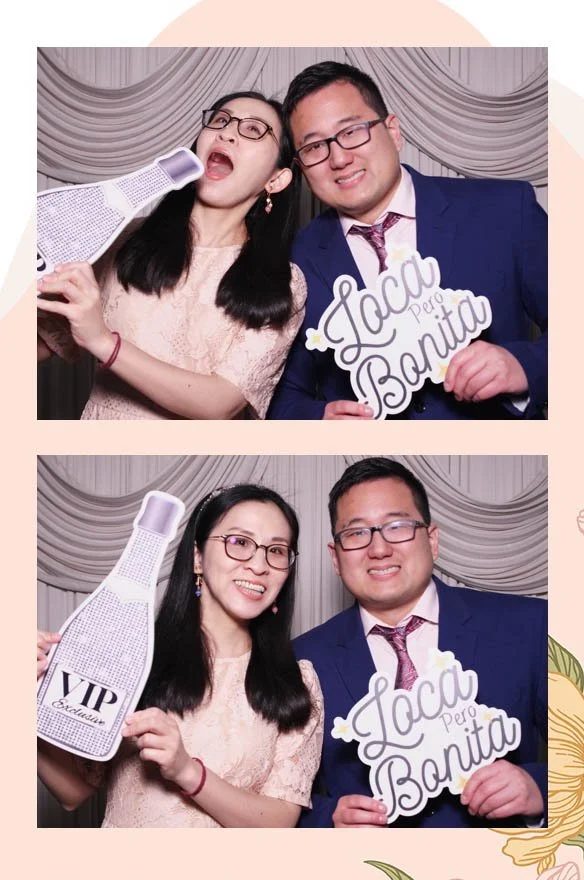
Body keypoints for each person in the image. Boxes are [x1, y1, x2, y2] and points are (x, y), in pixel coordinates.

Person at [267, 61, 547, 421]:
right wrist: (318, 419)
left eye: (352, 131)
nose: (339, 158)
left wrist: (525, 365)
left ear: (393, 131)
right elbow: (281, 394)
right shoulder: (296, 258)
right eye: (315, 147)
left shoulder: (504, 210)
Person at [37, 484, 323, 827]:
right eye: (239, 542)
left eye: (276, 550)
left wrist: (187, 771)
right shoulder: (135, 657)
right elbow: (73, 792)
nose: (259, 565)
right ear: (197, 557)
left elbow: (278, 824)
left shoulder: (297, 683)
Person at [293, 458, 547, 827]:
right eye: (357, 533)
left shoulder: (530, 626)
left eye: (397, 526)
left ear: (432, 539)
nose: (379, 549)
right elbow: (272, 798)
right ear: (336, 557)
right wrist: (326, 821)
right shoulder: (302, 658)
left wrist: (540, 788)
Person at [37, 92, 306, 420]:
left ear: (276, 179)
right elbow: (46, 340)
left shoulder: (282, 283)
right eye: (220, 120)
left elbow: (219, 403)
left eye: (253, 129)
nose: (227, 132)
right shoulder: (126, 238)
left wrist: (104, 342)